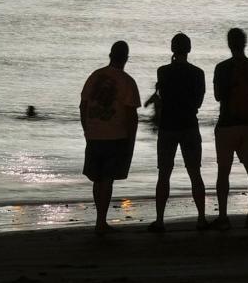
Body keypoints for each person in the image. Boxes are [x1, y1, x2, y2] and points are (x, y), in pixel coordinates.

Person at [148, 32, 209, 231]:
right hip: (190, 125)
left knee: (164, 174)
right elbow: (198, 102)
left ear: (172, 49)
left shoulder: (162, 71)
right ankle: (201, 218)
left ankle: (159, 220)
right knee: (195, 173)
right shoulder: (198, 73)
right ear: (189, 49)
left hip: (168, 127)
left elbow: (164, 97)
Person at [79, 41, 141, 233]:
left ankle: (100, 219)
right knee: (106, 179)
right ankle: (100, 222)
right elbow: (131, 115)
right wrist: (131, 140)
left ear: (110, 55)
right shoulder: (127, 81)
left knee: (97, 179)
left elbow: (83, 106)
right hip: (115, 136)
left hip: (94, 134)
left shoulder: (94, 76)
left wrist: (86, 130)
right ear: (126, 59)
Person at [212, 26, 248, 230]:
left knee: (223, 172)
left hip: (227, 125)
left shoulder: (221, 68)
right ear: (245, 43)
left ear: (229, 44)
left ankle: (223, 215)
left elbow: (217, 96)